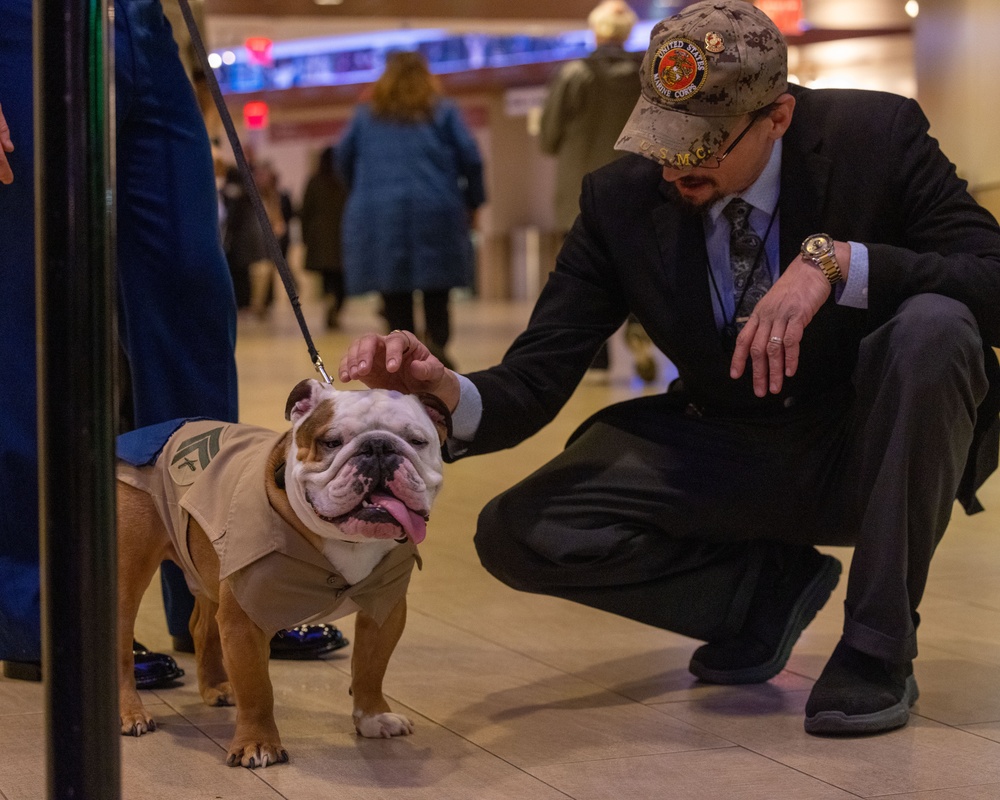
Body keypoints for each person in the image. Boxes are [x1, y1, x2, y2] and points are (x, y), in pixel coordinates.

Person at [339, 0, 1000, 737]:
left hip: (868, 449)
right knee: (522, 529)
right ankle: (761, 595)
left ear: (777, 118)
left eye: (704, 144)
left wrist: (841, 264)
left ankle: (878, 648)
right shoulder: (621, 199)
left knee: (937, 327)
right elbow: (537, 375)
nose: (673, 165)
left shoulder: (877, 139)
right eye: (661, 138)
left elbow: (991, 278)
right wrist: (438, 387)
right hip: (725, 444)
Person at [0, 0, 342, 684]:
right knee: (29, 314)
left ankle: (220, 594)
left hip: (142, 29)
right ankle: (38, 606)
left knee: (191, 286)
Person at [337, 50, 485, 370]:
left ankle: (402, 356)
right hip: (436, 207)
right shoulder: (442, 111)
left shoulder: (366, 114)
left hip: (381, 213)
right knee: (437, 288)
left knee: (394, 290)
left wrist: (365, 189)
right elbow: (471, 158)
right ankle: (437, 350)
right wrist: (474, 201)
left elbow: (342, 158)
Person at [538, 0, 656, 384]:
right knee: (638, 264)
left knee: (589, 275)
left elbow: (549, 137)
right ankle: (640, 324)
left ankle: (598, 360)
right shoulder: (647, 75)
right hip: (639, 186)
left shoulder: (573, 73)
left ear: (596, 31)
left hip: (580, 192)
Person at [300, 145, 349, 330]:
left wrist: (306, 238)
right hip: (342, 238)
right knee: (342, 278)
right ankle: (337, 303)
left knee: (327, 277)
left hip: (320, 239)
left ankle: (329, 297)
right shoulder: (344, 181)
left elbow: (305, 211)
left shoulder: (314, 181)